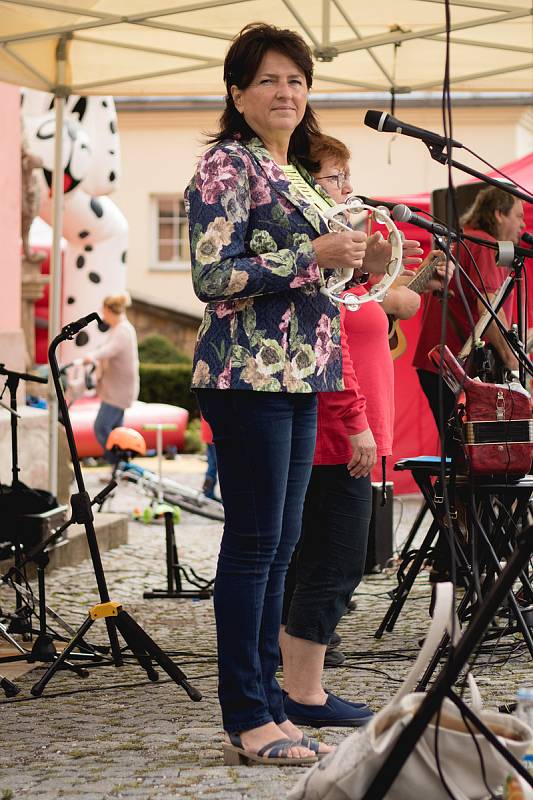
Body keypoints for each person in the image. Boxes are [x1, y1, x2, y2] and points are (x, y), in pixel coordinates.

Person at [185, 23, 385, 766]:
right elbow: (212, 277)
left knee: (281, 549)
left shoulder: (296, 172)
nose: (285, 91)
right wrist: (314, 254)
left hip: (305, 374)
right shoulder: (225, 166)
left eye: (296, 80)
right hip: (247, 376)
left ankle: (271, 705)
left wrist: (352, 258)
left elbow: (313, 275)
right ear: (237, 93)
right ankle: (247, 716)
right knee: (254, 547)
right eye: (269, 79)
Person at [280, 134, 451, 727]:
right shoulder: (319, 271)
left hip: (344, 435)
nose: (347, 189)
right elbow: (333, 356)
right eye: (336, 177)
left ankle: (297, 684)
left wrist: (388, 266)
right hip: (332, 436)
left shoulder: (344, 279)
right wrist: (355, 425)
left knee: (320, 561)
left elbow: (392, 303)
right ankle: (302, 694)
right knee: (335, 562)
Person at [413, 186, 525, 439]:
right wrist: (514, 365)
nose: (523, 225)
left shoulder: (466, 241)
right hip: (455, 367)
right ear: (498, 214)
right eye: (518, 216)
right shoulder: (485, 246)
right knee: (476, 453)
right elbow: (490, 313)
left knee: (459, 451)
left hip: (439, 364)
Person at [83, 292, 139, 464]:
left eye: (104, 310)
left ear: (109, 310)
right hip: (117, 390)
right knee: (116, 432)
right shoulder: (119, 329)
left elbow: (110, 350)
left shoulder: (123, 330)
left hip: (118, 392)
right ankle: (119, 469)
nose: (102, 314)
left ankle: (119, 463)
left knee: (101, 427)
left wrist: (92, 356)